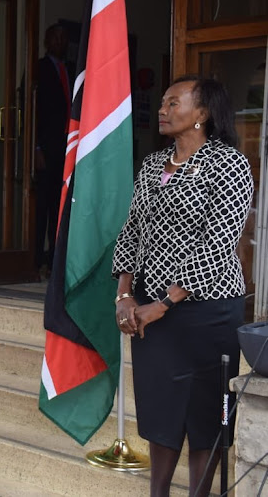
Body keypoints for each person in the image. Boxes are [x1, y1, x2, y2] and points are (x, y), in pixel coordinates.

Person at [112, 75, 253, 497]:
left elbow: (219, 242)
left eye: (174, 103)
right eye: (164, 102)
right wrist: (124, 294)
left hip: (207, 312)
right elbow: (132, 230)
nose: (163, 109)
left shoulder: (229, 163)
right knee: (159, 410)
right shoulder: (153, 165)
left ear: (202, 115)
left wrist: (166, 302)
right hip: (151, 312)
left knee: (204, 415)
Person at [35, 23, 72, 274]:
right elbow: (35, 108)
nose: (60, 42)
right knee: (42, 206)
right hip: (46, 149)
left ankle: (54, 260)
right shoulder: (41, 68)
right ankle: (37, 260)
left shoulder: (68, 69)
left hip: (66, 148)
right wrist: (36, 147)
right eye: (55, 37)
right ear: (47, 41)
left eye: (63, 38)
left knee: (60, 206)